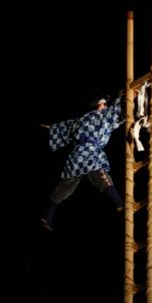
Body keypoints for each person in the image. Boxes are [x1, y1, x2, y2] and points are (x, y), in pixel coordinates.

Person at [39, 90, 125, 231]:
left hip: (76, 157)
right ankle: (119, 203)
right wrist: (129, 96)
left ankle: (48, 216)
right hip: (90, 152)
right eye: (104, 103)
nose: (106, 105)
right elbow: (119, 109)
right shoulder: (102, 115)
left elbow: (59, 128)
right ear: (100, 104)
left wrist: (48, 127)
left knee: (64, 187)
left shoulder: (79, 120)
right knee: (102, 177)